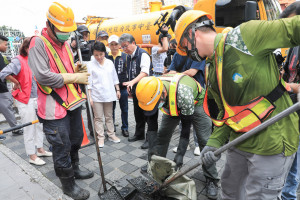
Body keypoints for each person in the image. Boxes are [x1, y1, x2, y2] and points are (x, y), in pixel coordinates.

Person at [175, 10, 300, 199]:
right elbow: (227, 115)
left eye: (185, 47)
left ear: (193, 33)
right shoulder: (212, 69)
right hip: (239, 142)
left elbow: (295, 28)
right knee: (229, 192)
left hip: (272, 141)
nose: (187, 54)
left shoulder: (246, 36)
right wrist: (213, 143)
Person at [28, 3, 93, 200]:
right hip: (53, 108)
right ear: (49, 24)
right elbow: (44, 76)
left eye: (68, 31)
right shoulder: (37, 43)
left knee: (75, 139)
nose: (66, 35)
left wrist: (76, 69)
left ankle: (76, 168)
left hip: (71, 102)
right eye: (62, 30)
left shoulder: (64, 44)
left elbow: (64, 68)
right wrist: (75, 78)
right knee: (61, 145)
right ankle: (68, 184)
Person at [136, 74, 219, 199]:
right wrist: (152, 150)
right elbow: (152, 123)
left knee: (204, 140)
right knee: (162, 135)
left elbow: (186, 129)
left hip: (195, 103)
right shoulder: (148, 91)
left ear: (163, 92)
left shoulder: (183, 93)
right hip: (172, 104)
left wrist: (180, 154)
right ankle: (156, 166)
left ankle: (211, 178)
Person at [0, 37, 52, 166]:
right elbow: (3, 73)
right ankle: (32, 155)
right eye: (33, 48)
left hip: (38, 97)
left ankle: (39, 149)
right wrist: (16, 82)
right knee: (29, 127)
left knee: (40, 125)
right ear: (26, 48)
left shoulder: (35, 60)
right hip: (25, 99)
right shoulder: (19, 60)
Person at [119, 33, 158, 149]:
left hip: (148, 91)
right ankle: (139, 134)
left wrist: (132, 82)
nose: (124, 49)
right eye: (123, 47)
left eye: (126, 46)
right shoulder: (129, 56)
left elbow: (144, 72)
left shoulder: (143, 54)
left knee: (149, 116)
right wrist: (130, 85)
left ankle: (151, 139)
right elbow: (131, 73)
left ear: (133, 43)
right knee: (138, 114)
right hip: (137, 90)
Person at [168, 52, 208, 156]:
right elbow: (171, 71)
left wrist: (177, 74)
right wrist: (177, 74)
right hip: (181, 91)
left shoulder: (198, 52)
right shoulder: (177, 54)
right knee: (182, 119)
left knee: (196, 120)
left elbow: (192, 72)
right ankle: (183, 144)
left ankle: (198, 145)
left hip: (197, 93)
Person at [279, 2, 300, 199]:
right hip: (288, 107)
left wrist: (285, 86)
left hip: (297, 112)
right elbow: (288, 71)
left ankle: (289, 196)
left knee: (295, 163)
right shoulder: (295, 43)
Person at [87, 41, 121, 148]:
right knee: (98, 118)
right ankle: (100, 137)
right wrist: (90, 97)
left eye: (101, 54)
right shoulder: (90, 64)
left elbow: (114, 77)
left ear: (104, 53)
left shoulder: (109, 63)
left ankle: (111, 135)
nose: (99, 57)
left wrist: (118, 90)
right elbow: (89, 82)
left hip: (109, 94)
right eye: (96, 55)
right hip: (96, 95)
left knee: (109, 116)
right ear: (93, 54)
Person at [70, 25, 94, 138]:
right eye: (81, 35)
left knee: (90, 106)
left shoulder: (89, 47)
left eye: (86, 35)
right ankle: (76, 131)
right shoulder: (69, 48)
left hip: (86, 80)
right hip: (73, 82)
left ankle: (92, 129)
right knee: (76, 107)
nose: (84, 37)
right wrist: (73, 47)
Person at [0, 35, 23, 141]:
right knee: (7, 107)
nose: (6, 47)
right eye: (5, 44)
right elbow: (3, 73)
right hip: (1, 88)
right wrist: (16, 82)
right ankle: (15, 128)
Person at [107, 35, 129, 137]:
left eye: (116, 44)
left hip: (123, 88)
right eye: (112, 44)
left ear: (119, 45)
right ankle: (112, 128)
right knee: (111, 110)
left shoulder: (125, 56)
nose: (114, 46)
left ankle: (125, 127)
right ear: (109, 45)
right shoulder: (106, 57)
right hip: (110, 88)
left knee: (124, 109)